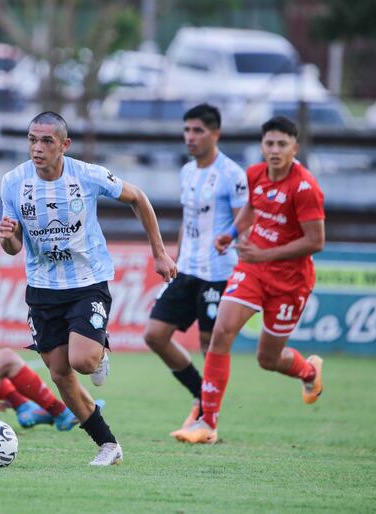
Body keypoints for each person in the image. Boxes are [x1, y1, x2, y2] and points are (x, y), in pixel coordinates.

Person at [0, 111, 177, 465]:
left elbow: (138, 197)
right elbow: (14, 247)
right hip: (42, 288)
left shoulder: (88, 175)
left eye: (47, 141)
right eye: (32, 139)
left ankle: (97, 353)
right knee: (59, 373)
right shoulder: (12, 182)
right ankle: (108, 445)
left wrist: (159, 253)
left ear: (65, 145)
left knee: (82, 361)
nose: (37, 148)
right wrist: (7, 238)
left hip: (87, 281)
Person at [171, 116, 325, 445]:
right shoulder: (254, 174)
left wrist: (265, 255)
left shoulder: (305, 187)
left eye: (282, 144)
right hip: (252, 270)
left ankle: (309, 371)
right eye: (269, 143)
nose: (274, 150)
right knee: (221, 334)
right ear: (262, 146)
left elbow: (316, 241)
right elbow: (252, 209)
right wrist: (230, 234)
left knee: (267, 359)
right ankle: (207, 423)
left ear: (294, 148)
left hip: (290, 283)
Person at [142, 103, 247, 436]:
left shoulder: (233, 175)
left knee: (209, 342)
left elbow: (245, 222)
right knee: (155, 335)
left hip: (219, 272)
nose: (190, 136)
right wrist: (174, 256)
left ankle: (209, 421)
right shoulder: (187, 172)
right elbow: (189, 222)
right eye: (187, 130)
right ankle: (202, 396)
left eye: (198, 130)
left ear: (215, 134)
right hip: (187, 268)